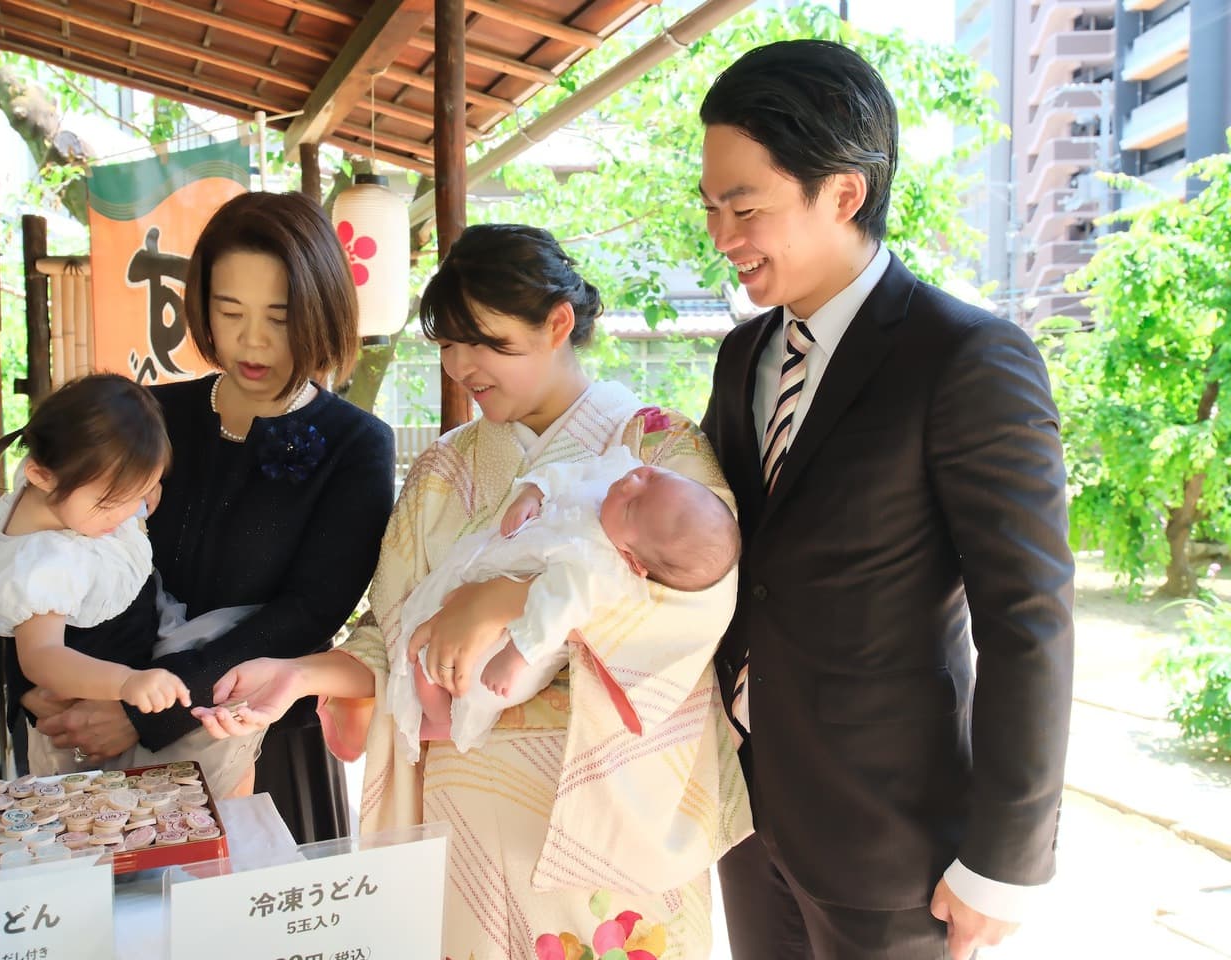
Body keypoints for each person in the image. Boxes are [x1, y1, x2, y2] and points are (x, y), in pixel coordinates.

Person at [191, 224, 752, 960]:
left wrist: (506, 599)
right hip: (463, 827)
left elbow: (701, 596)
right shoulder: (442, 470)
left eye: (485, 344)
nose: (461, 367)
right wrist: (296, 676)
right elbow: (387, 638)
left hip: (600, 830)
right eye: (448, 345)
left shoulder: (658, 451)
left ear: (557, 324)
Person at [698, 39, 1075, 960]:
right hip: (744, 814)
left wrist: (1005, 862)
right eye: (709, 206)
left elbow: (1028, 620)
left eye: (744, 206)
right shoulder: (743, 355)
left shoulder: (965, 358)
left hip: (893, 839)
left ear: (844, 193)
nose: (720, 235)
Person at [22, 191, 396, 841]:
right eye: (230, 311)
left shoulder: (355, 444)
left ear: (320, 312)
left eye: (279, 317)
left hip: (252, 734)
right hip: (88, 718)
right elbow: (48, 539)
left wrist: (148, 716)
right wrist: (40, 681)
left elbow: (306, 614)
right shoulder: (149, 414)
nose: (252, 341)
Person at [0, 374, 266, 796]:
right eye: (113, 503)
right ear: (41, 476)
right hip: (87, 706)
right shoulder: (43, 567)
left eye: (140, 491)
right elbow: (42, 658)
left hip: (135, 644)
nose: (128, 512)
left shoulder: (64, 478)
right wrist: (126, 685)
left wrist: (140, 491)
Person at [391, 443, 741, 757]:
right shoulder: (612, 480)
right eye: (651, 476)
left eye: (633, 506)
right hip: (493, 573)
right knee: (426, 630)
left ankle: (442, 722)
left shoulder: (598, 566)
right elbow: (571, 472)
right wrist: (533, 494)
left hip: (518, 640)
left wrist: (517, 656)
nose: (630, 484)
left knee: (452, 678)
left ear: (632, 559)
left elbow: (555, 611)